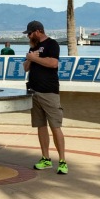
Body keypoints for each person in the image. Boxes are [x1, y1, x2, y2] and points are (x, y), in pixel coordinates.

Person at [23, 20, 67, 174]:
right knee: (41, 126)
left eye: (30, 33)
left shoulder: (52, 44)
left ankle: (62, 161)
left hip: (49, 92)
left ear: (38, 31)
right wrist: (29, 58)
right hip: (34, 92)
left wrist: (35, 58)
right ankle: (45, 158)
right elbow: (25, 68)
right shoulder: (33, 47)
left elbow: (53, 63)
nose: (28, 36)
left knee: (55, 126)